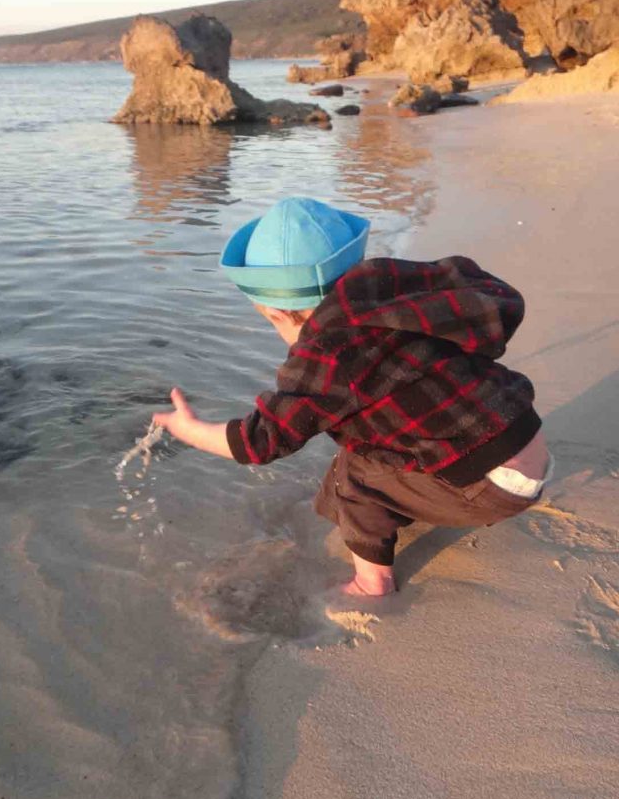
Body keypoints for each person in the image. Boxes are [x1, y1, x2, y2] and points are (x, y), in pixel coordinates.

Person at [153, 197, 551, 597]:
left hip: (493, 488)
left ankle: (371, 581)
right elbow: (489, 293)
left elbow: (258, 442)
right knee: (384, 431)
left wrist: (189, 430)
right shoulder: (392, 285)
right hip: (526, 436)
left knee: (353, 474)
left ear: (279, 314)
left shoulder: (326, 354)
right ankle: (429, 494)